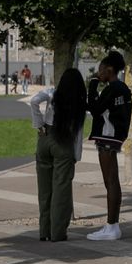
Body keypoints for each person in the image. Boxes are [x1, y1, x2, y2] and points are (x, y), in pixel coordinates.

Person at [30, 68, 88, 242]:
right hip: (64, 143)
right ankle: (57, 232)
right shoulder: (78, 103)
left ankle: (44, 231)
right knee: (61, 189)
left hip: (45, 138)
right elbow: (78, 134)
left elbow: (34, 101)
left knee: (44, 189)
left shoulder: (52, 94)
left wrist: (38, 124)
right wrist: (76, 157)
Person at [85, 51, 132, 241]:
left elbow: (95, 109)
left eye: (101, 69)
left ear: (109, 69)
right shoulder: (122, 88)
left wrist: (93, 84)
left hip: (108, 136)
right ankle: (111, 225)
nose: (99, 73)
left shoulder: (112, 88)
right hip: (113, 135)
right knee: (111, 181)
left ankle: (112, 227)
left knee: (110, 181)